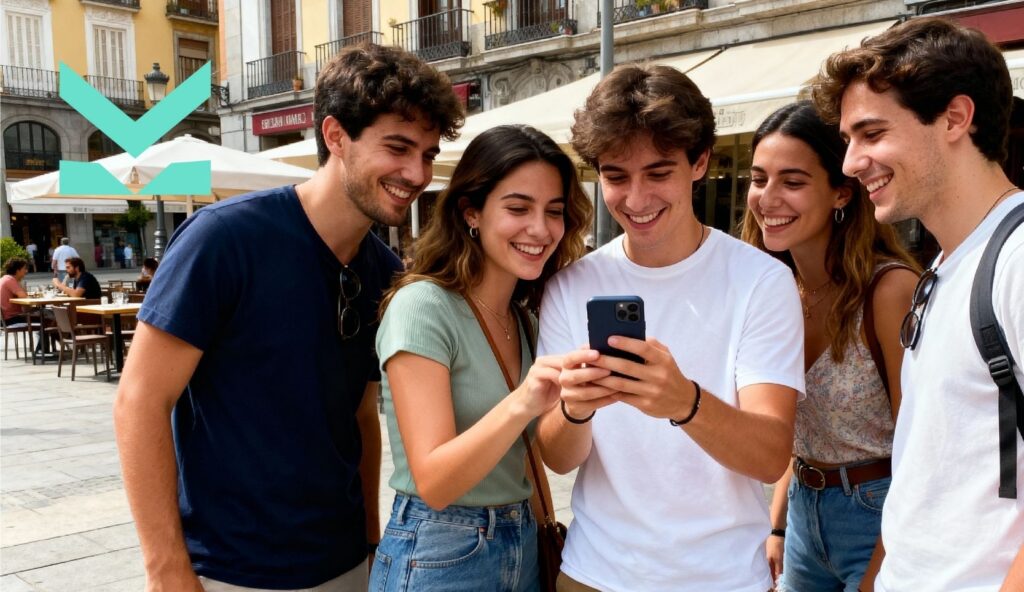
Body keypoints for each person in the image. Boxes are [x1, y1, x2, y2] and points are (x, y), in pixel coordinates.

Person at [112, 43, 463, 592]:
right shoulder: (225, 240)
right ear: (335, 136)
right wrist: (166, 569)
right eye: (398, 147)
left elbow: (361, 416)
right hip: (227, 569)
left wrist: (370, 543)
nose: (417, 172)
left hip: (343, 564)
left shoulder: (385, 271)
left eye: (427, 152)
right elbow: (139, 401)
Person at [536, 63, 806, 592]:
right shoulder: (570, 286)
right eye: (615, 177)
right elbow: (557, 457)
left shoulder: (761, 282)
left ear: (699, 162)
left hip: (723, 579)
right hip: (593, 573)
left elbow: (772, 457)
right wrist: (576, 407)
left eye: (658, 173)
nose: (635, 200)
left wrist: (684, 402)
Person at [814, 16, 1024, 592]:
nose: (852, 162)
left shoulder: (1016, 258)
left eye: (872, 134)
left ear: (955, 118)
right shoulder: (945, 263)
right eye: (849, 140)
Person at [369, 125, 591, 591]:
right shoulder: (422, 306)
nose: (540, 228)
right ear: (471, 212)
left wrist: (580, 405)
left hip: (523, 540)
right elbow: (434, 481)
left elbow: (549, 461)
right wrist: (523, 402)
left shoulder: (526, 318)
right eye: (518, 208)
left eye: (554, 211)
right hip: (439, 549)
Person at [739, 101, 919, 591]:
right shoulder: (773, 291)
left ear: (841, 193)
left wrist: (884, 562)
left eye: (792, 182)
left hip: (877, 510)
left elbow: (920, 447)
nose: (767, 198)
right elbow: (786, 426)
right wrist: (778, 523)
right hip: (802, 507)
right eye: (759, 179)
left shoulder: (888, 291)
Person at [1, 257, 30, 326]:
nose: (26, 271)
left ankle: (42, 336)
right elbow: (25, 299)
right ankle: (44, 336)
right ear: (17, 270)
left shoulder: (4, 278)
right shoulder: (10, 280)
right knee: (50, 319)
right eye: (25, 269)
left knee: (46, 316)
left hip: (6, 318)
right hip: (11, 319)